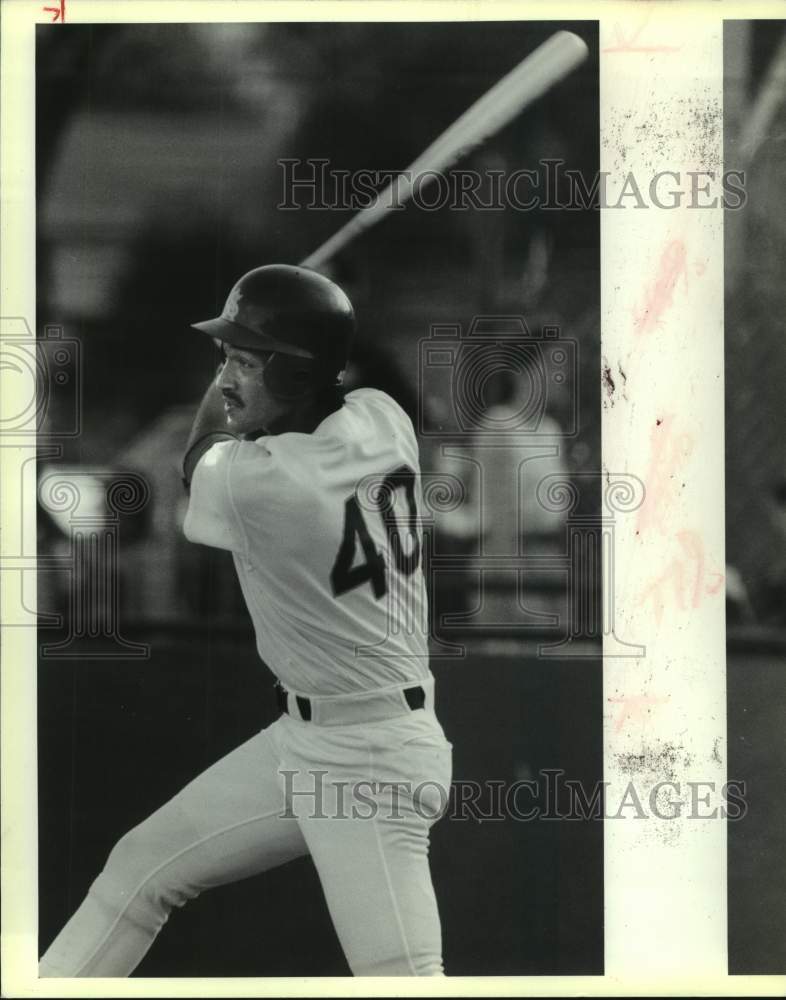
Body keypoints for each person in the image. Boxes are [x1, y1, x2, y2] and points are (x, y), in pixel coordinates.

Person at [39, 264, 453, 978]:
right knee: (138, 873)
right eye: (225, 359)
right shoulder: (381, 417)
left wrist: (239, 376)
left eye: (246, 363)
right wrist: (279, 338)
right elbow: (344, 381)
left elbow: (201, 455)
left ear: (296, 375)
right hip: (310, 740)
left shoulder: (259, 482)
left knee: (406, 982)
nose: (228, 377)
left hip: (370, 762)